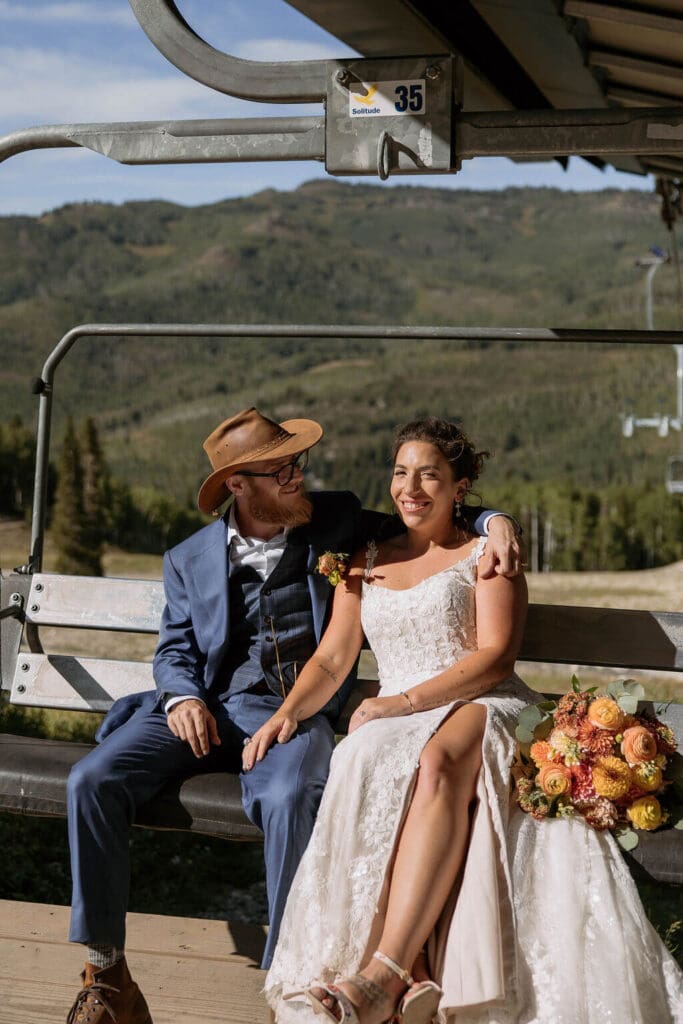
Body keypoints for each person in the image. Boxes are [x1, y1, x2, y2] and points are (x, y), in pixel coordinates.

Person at [64, 407, 521, 1024]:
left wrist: (497, 521)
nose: (297, 477)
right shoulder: (187, 558)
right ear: (237, 485)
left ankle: (287, 978)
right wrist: (184, 698)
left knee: (292, 792)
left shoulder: (335, 519)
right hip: (204, 709)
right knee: (91, 779)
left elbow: (429, 516)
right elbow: (174, 650)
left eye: (297, 464)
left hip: (292, 711)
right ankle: (107, 972)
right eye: (281, 471)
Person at [252, 417, 683, 1024]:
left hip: (484, 701)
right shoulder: (361, 559)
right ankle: (411, 968)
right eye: (401, 473)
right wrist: (286, 714)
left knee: (435, 758)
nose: (410, 489)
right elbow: (331, 658)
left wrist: (402, 703)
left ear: (459, 487)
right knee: (366, 754)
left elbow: (495, 658)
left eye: (429, 475)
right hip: (397, 716)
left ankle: (385, 974)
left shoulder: (487, 554)